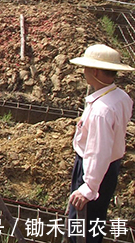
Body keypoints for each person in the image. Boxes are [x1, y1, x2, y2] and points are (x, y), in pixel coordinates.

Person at [67, 44, 134, 243]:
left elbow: (98, 151)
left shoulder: (101, 110)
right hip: (110, 167)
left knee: (81, 226)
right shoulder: (121, 97)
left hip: (93, 170)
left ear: (95, 71)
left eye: (86, 68)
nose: (84, 72)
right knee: (95, 220)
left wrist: (89, 186)